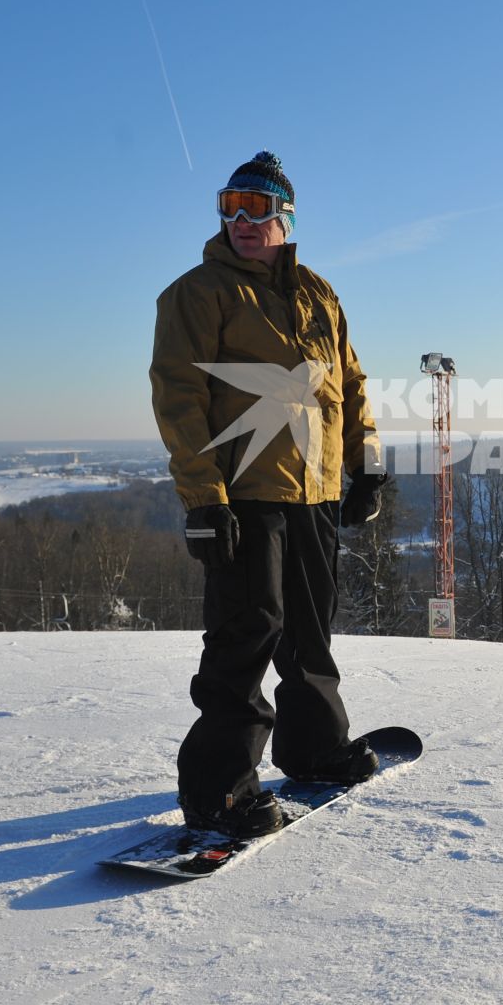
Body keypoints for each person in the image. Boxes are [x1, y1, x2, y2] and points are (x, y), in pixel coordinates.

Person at [150, 151, 388, 838]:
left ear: (285, 218)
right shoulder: (197, 294)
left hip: (312, 490)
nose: (241, 220)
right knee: (247, 632)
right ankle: (218, 786)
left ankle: (313, 744)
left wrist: (364, 467)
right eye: (229, 206)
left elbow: (350, 384)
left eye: (256, 208)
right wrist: (204, 499)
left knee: (311, 627)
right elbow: (179, 397)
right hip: (243, 492)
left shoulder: (318, 293)